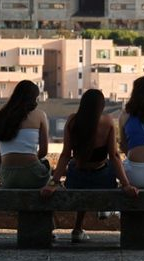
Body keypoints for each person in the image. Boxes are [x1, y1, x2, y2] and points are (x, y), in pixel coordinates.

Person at [41, 89, 138, 243]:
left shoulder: (72, 121)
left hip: (77, 180)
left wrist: (53, 183)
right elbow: (114, 156)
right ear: (101, 106)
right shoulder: (107, 122)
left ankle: (77, 228)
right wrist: (126, 185)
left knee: (76, 167)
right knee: (107, 165)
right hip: (102, 180)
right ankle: (104, 208)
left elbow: (65, 155)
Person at [0, 80, 51, 189]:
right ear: (33, 98)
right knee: (45, 164)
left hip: (7, 177)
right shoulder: (40, 115)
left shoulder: (1, 116)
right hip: (32, 175)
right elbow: (44, 151)